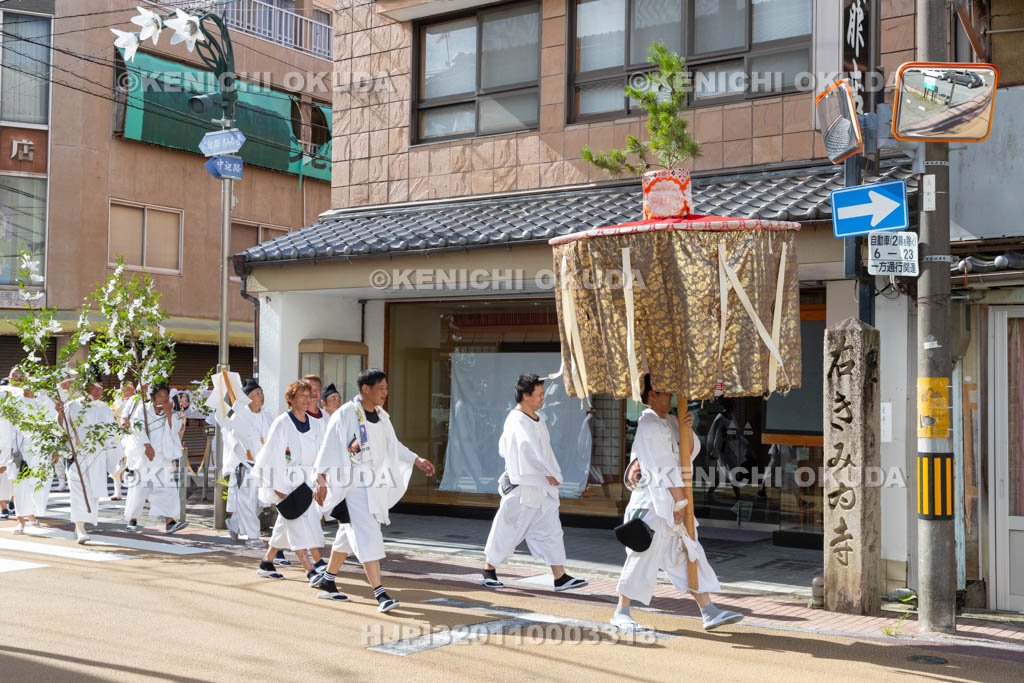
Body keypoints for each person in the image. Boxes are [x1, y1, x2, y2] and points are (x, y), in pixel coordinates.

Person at [611, 374, 743, 632]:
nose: (670, 397)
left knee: (687, 552)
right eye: (665, 393)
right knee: (643, 557)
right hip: (653, 504)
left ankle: (708, 609)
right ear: (651, 396)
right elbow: (665, 468)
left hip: (670, 501)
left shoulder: (669, 421)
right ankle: (621, 611)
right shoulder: (648, 425)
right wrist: (680, 503)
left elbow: (690, 452)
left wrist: (687, 427)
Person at [311, 368, 436, 611]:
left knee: (347, 536)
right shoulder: (346, 414)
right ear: (365, 389)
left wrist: (416, 460)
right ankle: (380, 593)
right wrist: (321, 480)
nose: (385, 393)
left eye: (386, 389)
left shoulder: (381, 416)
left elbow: (393, 445)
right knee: (368, 534)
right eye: (381, 389)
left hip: (374, 484)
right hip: (353, 485)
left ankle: (327, 580)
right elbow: (328, 447)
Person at [479, 374, 588, 592]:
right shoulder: (516, 420)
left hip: (541, 488)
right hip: (523, 487)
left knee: (551, 531)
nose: (542, 399)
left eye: (542, 394)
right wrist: (545, 472)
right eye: (538, 395)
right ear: (526, 395)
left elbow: (543, 452)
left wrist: (550, 473)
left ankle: (560, 576)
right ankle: (488, 569)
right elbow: (526, 450)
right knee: (507, 529)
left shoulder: (539, 419)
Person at [254, 381, 326, 583]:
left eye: (309, 395)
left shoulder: (315, 424)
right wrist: (279, 485)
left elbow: (319, 454)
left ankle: (267, 563)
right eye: (301, 395)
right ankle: (310, 569)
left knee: (290, 522)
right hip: (286, 479)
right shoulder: (282, 422)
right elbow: (272, 455)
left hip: (307, 480)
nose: (306, 399)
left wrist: (321, 480)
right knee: (297, 523)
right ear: (291, 399)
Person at [63, 372, 121, 544]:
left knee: (92, 494)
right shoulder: (72, 406)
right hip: (77, 457)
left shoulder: (103, 407)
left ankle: (81, 525)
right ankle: (80, 529)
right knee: (78, 492)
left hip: (97, 457)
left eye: (101, 388)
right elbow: (62, 427)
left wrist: (116, 455)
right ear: (85, 387)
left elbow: (112, 433)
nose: (98, 391)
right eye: (94, 387)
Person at [123, 382, 188, 534]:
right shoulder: (142, 409)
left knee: (167, 490)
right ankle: (132, 520)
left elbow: (176, 430)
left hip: (162, 456)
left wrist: (170, 414)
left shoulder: (171, 411)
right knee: (139, 490)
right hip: (144, 456)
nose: (163, 399)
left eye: (165, 396)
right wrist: (146, 445)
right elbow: (136, 427)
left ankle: (170, 522)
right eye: (159, 396)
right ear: (153, 397)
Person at [223, 379, 272, 544]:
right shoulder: (239, 416)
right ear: (248, 398)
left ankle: (234, 524)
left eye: (261, 392)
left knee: (258, 502)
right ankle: (253, 536)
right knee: (247, 500)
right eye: (256, 393)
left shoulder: (267, 415)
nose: (261, 396)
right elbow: (230, 437)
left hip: (264, 465)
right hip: (245, 465)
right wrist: (242, 450)